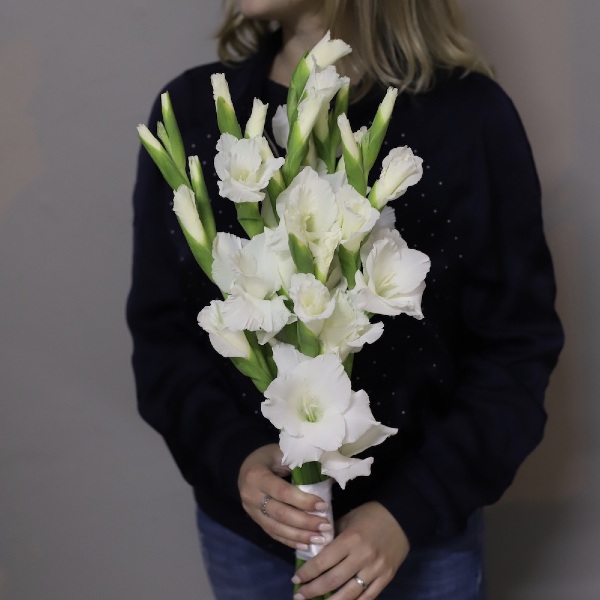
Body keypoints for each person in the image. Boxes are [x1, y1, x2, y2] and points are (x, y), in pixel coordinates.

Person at [126, 1, 564, 598]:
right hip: (250, 538)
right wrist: (237, 462)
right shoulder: (200, 114)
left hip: (418, 542)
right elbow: (165, 342)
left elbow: (515, 352)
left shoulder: (470, 119)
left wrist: (409, 511)